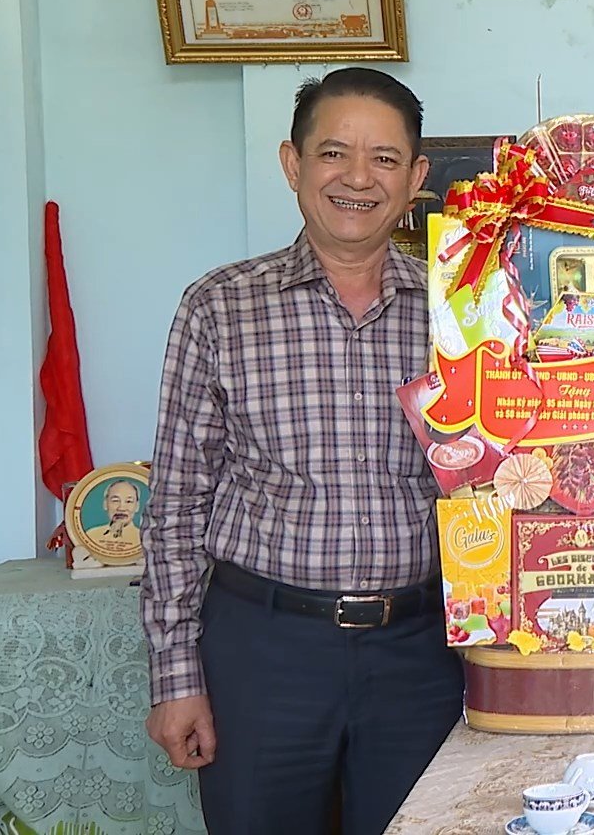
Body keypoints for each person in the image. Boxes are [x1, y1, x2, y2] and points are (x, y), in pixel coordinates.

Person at [142, 67, 462, 835]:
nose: (359, 178)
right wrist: (175, 676)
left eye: (385, 158)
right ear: (293, 164)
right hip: (265, 650)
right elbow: (177, 506)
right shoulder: (220, 306)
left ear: (416, 177)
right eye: (334, 154)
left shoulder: (461, 311)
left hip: (419, 654)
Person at [85, 479, 144, 554]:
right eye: (115, 500)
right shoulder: (91, 536)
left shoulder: (146, 539)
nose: (121, 508)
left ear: (137, 506)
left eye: (129, 501)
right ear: (105, 504)